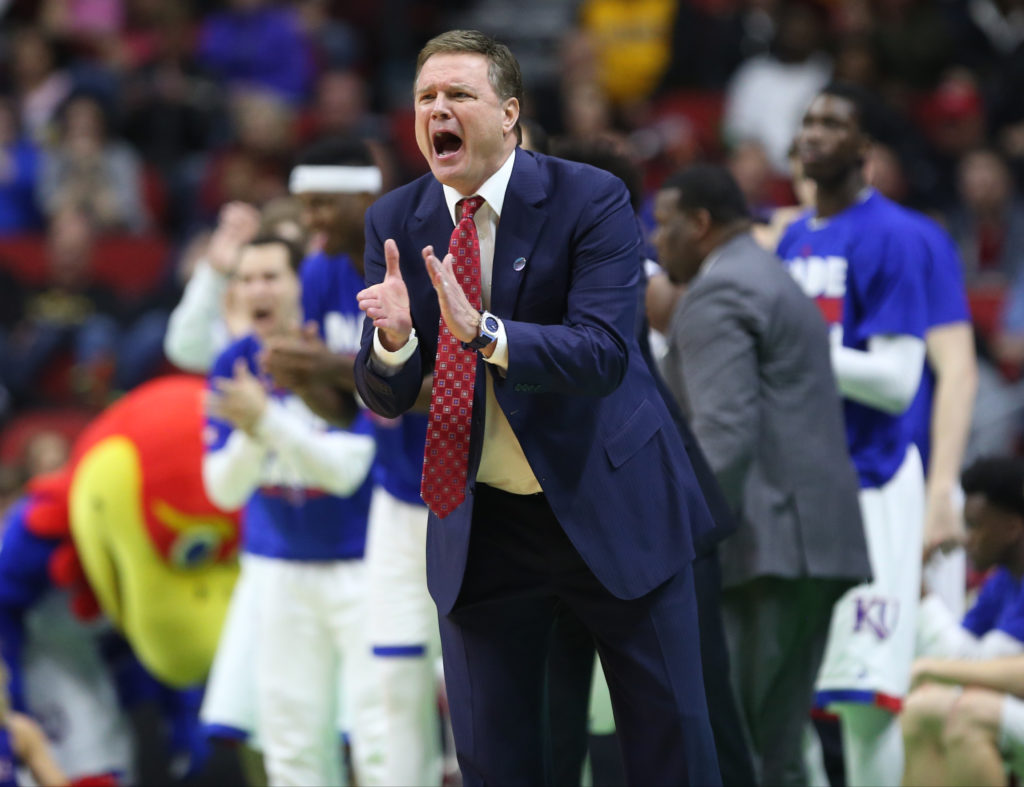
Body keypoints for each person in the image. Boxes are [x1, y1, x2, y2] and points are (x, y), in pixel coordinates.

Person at [352, 29, 720, 786]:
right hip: (484, 524)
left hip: (609, 496)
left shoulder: (591, 198)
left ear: (510, 113)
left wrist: (484, 333)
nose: (438, 110)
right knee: (496, 763)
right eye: (426, 97)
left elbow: (603, 353)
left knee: (672, 754)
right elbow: (385, 390)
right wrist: (392, 342)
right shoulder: (395, 220)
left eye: (459, 94)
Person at [654, 162, 870, 785]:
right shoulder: (769, 276)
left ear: (699, 224)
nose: (657, 241)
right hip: (808, 545)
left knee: (739, 751)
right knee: (775, 751)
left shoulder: (717, 294)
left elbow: (723, 438)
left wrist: (676, 540)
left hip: (767, 549)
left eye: (664, 225)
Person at [261, 137, 436, 787]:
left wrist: (330, 366)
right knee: (394, 678)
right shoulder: (318, 272)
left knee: (480, 679)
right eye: (304, 206)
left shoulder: (422, 259)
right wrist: (303, 377)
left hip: (463, 490)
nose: (310, 222)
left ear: (367, 198)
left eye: (322, 206)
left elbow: (450, 386)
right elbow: (344, 410)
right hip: (395, 495)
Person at [776, 82, 931, 787]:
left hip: (874, 483)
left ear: (864, 145)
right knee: (792, 692)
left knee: (865, 699)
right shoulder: (792, 239)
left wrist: (800, 349)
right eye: (808, 120)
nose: (814, 133)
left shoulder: (893, 235)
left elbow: (899, 381)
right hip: (801, 487)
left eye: (833, 123)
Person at [200, 234, 377, 787]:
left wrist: (266, 422)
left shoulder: (336, 356)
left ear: (302, 284)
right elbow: (223, 490)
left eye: (271, 277)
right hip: (276, 571)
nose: (258, 290)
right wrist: (255, 429)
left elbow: (347, 470)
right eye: (246, 279)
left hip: (360, 565)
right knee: (291, 743)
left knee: (377, 738)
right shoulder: (232, 363)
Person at [901, 456, 1024, 785]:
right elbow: (962, 656)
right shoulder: (1001, 582)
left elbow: (986, 667)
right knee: (921, 709)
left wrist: (929, 667)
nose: (966, 539)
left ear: (1012, 528)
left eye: (974, 526)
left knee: (970, 714)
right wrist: (919, 589)